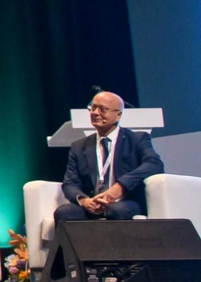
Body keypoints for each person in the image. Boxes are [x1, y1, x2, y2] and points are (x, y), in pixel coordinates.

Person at [53, 91, 164, 223]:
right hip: (92, 203)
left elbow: (155, 164)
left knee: (117, 210)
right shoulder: (79, 146)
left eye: (102, 109)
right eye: (93, 108)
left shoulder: (137, 139)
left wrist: (120, 187)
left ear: (118, 115)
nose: (95, 113)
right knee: (64, 212)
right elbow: (70, 183)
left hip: (124, 202)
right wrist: (84, 200)